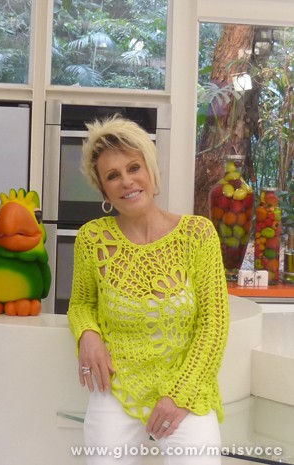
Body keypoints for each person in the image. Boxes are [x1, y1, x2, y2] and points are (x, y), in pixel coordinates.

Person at [67, 116, 229, 465]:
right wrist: (88, 334)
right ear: (104, 190)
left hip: (187, 386)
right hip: (117, 385)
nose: (126, 181)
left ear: (151, 171)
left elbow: (213, 325)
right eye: (113, 176)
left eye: (133, 167)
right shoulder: (92, 239)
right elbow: (81, 303)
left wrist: (180, 394)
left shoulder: (197, 234)